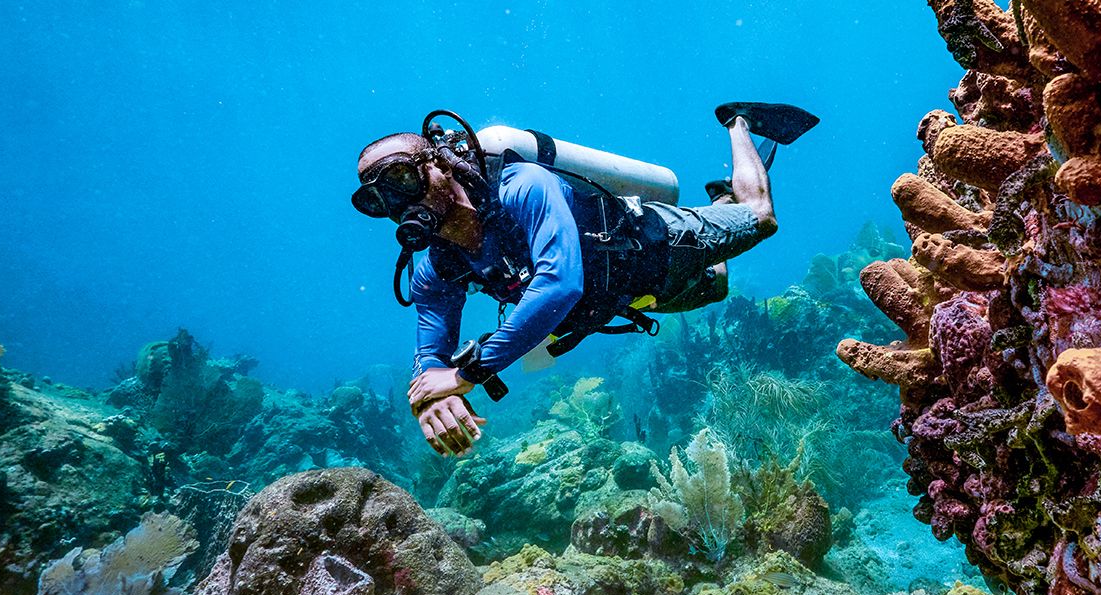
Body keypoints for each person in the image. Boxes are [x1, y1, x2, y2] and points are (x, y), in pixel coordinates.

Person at [350, 103, 817, 457]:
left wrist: (467, 374)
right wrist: (428, 397)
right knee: (716, 288)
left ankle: (738, 122)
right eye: (378, 198)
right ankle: (719, 202)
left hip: (664, 242)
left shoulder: (522, 184)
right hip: (632, 298)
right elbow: (429, 356)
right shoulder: (438, 266)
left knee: (759, 219)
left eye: (400, 181)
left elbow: (560, 284)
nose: (395, 203)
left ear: (438, 165)